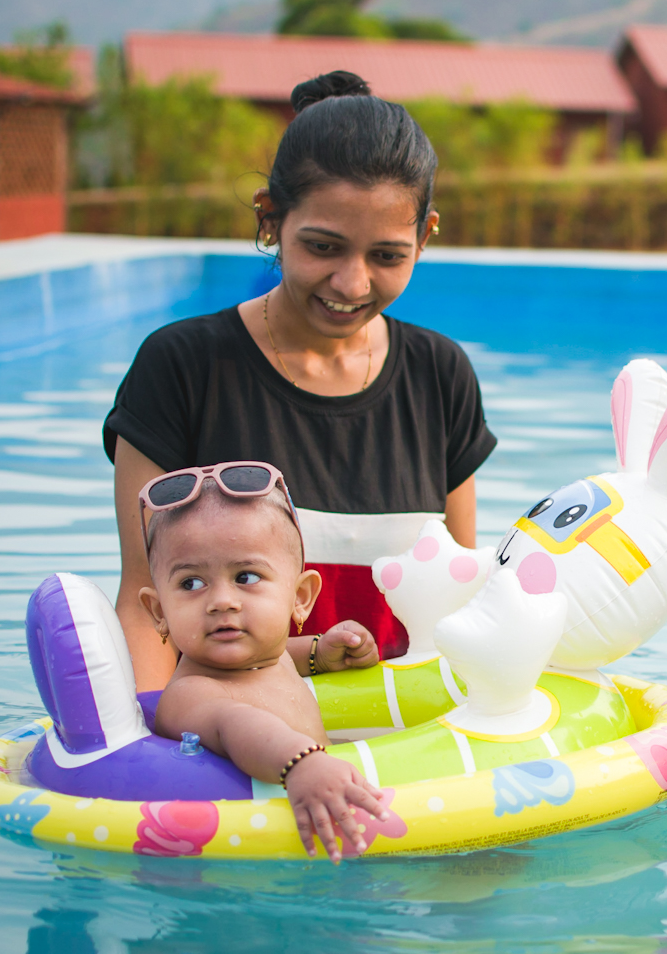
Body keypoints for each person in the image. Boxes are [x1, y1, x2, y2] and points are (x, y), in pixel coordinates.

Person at [106, 70, 497, 691]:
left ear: (424, 237)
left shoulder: (440, 375)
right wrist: (152, 749)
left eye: (388, 256)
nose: (352, 283)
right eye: (323, 247)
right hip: (228, 737)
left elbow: (460, 592)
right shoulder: (183, 367)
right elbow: (145, 601)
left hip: (408, 755)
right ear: (271, 219)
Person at [139, 462, 388, 861]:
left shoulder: (263, 659)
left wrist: (318, 654)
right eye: (191, 583)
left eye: (247, 577)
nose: (222, 600)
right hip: (248, 854)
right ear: (158, 612)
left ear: (301, 597)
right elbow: (238, 724)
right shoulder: (191, 695)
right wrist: (303, 764)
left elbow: (275, 660)